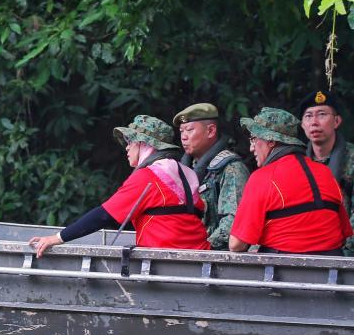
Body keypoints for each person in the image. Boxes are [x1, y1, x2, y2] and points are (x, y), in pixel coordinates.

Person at [29, 115, 210, 257]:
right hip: (199, 255)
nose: (126, 148)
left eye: (130, 142)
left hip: (172, 261)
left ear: (144, 145)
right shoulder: (184, 172)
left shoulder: (149, 176)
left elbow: (103, 215)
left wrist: (56, 238)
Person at [229, 107, 352, 255]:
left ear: (271, 141)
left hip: (285, 270)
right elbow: (344, 233)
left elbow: (236, 244)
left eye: (254, 139)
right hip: (332, 270)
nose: (251, 148)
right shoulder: (325, 172)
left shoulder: (263, 177)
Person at [173, 103, 249, 250]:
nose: (184, 137)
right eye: (181, 131)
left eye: (189, 130)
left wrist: (200, 249)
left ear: (211, 131)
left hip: (217, 259)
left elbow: (233, 222)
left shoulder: (231, 168)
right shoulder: (182, 169)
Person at [298, 89, 354, 254]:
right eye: (308, 116)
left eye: (322, 114)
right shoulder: (297, 160)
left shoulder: (351, 158)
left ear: (336, 121)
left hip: (344, 250)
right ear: (302, 125)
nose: (314, 122)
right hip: (304, 245)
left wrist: (342, 251)